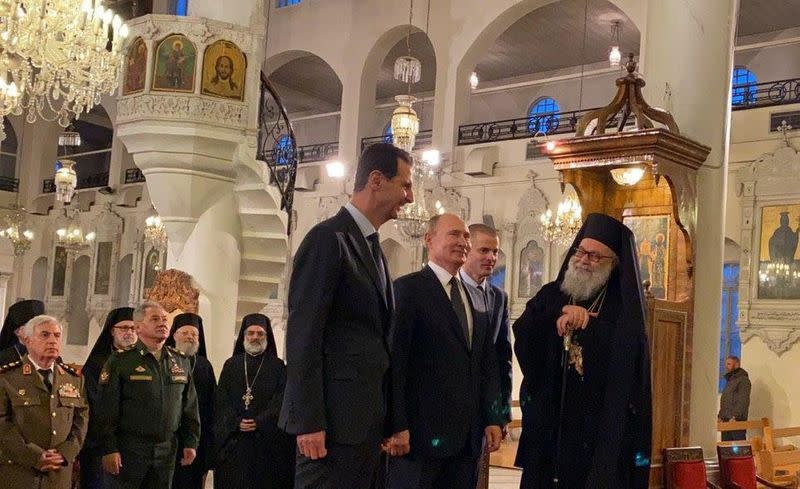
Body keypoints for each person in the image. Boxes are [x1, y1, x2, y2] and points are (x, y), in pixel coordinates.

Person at [279, 142, 414, 489]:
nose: (410, 197)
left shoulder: (372, 248)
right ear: (376, 180)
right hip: (331, 427)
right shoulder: (328, 239)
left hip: (363, 426)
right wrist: (308, 421)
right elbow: (303, 336)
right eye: (405, 184)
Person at [513, 213, 652, 489]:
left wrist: (590, 326)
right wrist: (560, 311)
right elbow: (524, 331)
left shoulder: (623, 308)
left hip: (596, 435)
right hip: (550, 430)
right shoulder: (554, 293)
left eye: (595, 256)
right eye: (581, 251)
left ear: (614, 264)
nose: (584, 260)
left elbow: (625, 365)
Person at [388, 214, 505, 489]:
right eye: (454, 234)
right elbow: (395, 361)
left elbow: (486, 362)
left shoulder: (476, 296)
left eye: (466, 236)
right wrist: (395, 425)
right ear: (430, 239)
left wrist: (492, 417)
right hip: (420, 437)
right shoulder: (408, 289)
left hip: (466, 440)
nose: (463, 242)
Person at [96, 300, 201, 489]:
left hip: (166, 451)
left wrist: (191, 441)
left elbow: (189, 406)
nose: (162, 323)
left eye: (164, 319)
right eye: (155, 319)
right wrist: (109, 448)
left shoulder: (179, 360)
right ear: (138, 327)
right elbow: (106, 408)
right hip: (130, 450)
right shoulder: (121, 360)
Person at [0, 315, 88, 489]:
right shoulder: (8, 377)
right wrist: (34, 456)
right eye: (45, 335)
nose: (52, 341)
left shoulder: (73, 378)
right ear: (27, 340)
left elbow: (81, 418)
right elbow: (2, 423)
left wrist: (65, 453)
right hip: (19, 472)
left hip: (58, 474)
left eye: (57, 335)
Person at [215, 313, 295, 489]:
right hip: (235, 444)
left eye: (260, 334)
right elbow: (221, 400)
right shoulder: (231, 365)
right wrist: (236, 422)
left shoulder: (278, 367)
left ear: (267, 337)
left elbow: (281, 400)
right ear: (244, 336)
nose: (255, 337)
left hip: (265, 445)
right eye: (250, 333)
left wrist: (260, 421)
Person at [460, 224, 513, 487]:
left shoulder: (498, 298)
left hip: (485, 405)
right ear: (467, 251)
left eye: (495, 251)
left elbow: (502, 357)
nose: (491, 257)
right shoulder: (450, 289)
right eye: (484, 250)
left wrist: (502, 413)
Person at [80, 307, 136, 489]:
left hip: (135, 448)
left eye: (134, 329)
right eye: (124, 328)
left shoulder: (144, 362)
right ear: (112, 331)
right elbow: (96, 406)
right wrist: (109, 445)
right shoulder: (98, 364)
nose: (130, 333)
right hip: (101, 446)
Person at [166, 312, 216, 489]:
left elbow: (212, 406)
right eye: (185, 332)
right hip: (168, 437)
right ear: (174, 335)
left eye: (194, 334)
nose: (190, 337)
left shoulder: (204, 365)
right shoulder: (165, 360)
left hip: (196, 439)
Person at [0, 299, 46, 365]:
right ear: (17, 331)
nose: (37, 331)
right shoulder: (2, 358)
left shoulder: (53, 358)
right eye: (31, 327)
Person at [718, 355, 751, 441]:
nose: (726, 367)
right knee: (725, 450)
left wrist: (735, 416)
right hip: (726, 420)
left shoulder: (743, 380)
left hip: (736, 420)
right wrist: (720, 416)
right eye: (726, 364)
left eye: (729, 364)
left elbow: (743, 400)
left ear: (736, 365)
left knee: (738, 450)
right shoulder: (730, 380)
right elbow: (725, 400)